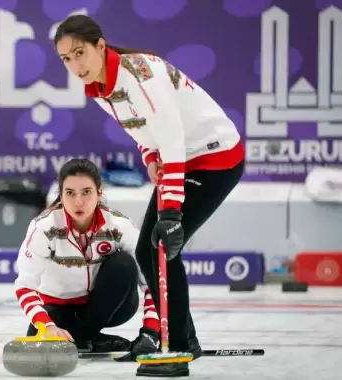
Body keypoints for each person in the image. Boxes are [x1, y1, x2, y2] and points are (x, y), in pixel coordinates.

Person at [53, 15, 245, 377]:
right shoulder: (98, 87)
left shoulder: (140, 76)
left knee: (159, 246)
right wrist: (150, 157)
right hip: (183, 158)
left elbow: (172, 137)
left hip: (215, 157)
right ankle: (184, 341)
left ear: (100, 46)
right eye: (66, 58)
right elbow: (143, 130)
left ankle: (178, 349)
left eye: (80, 53)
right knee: (151, 249)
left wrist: (170, 212)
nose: (75, 65)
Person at [14, 158, 160, 360]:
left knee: (123, 265)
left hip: (111, 308)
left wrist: (151, 333)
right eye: (70, 193)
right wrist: (46, 325)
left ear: (99, 193)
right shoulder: (44, 227)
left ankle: (84, 335)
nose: (78, 201)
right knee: (38, 338)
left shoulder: (119, 225)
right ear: (61, 195)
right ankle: (89, 339)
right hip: (59, 309)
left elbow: (151, 282)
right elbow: (24, 286)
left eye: (86, 192)